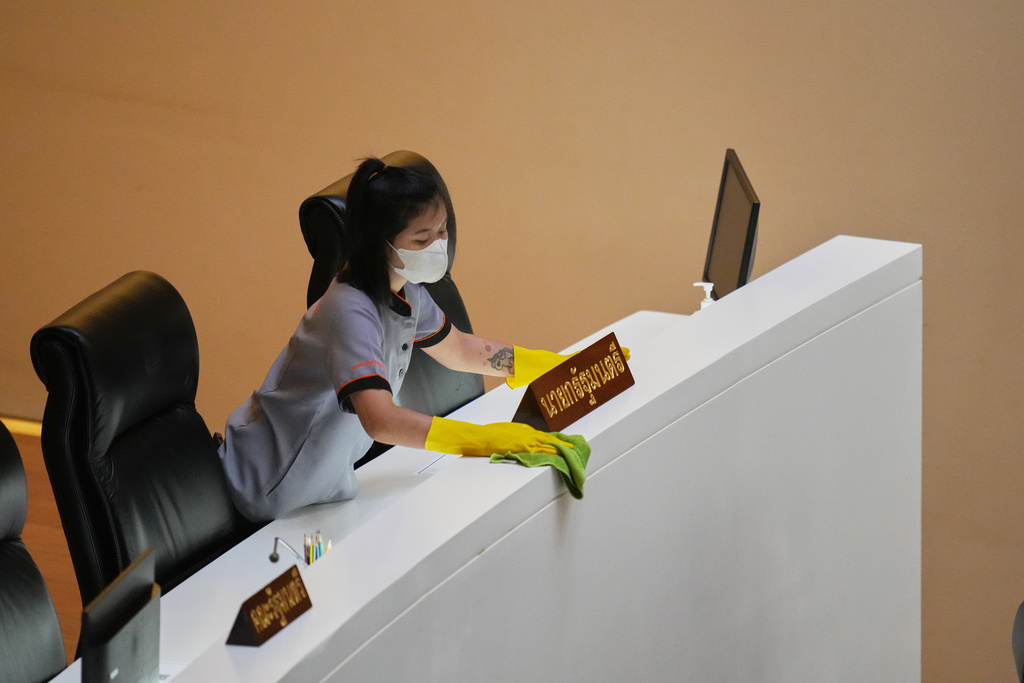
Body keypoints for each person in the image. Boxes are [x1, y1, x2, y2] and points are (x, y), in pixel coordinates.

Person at [218, 157, 585, 522]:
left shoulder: (406, 291)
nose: (439, 245)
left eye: (442, 231)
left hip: (323, 485)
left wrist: (546, 365)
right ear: (381, 244)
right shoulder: (349, 311)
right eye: (422, 238)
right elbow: (379, 420)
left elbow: (457, 348)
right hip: (267, 484)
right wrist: (482, 440)